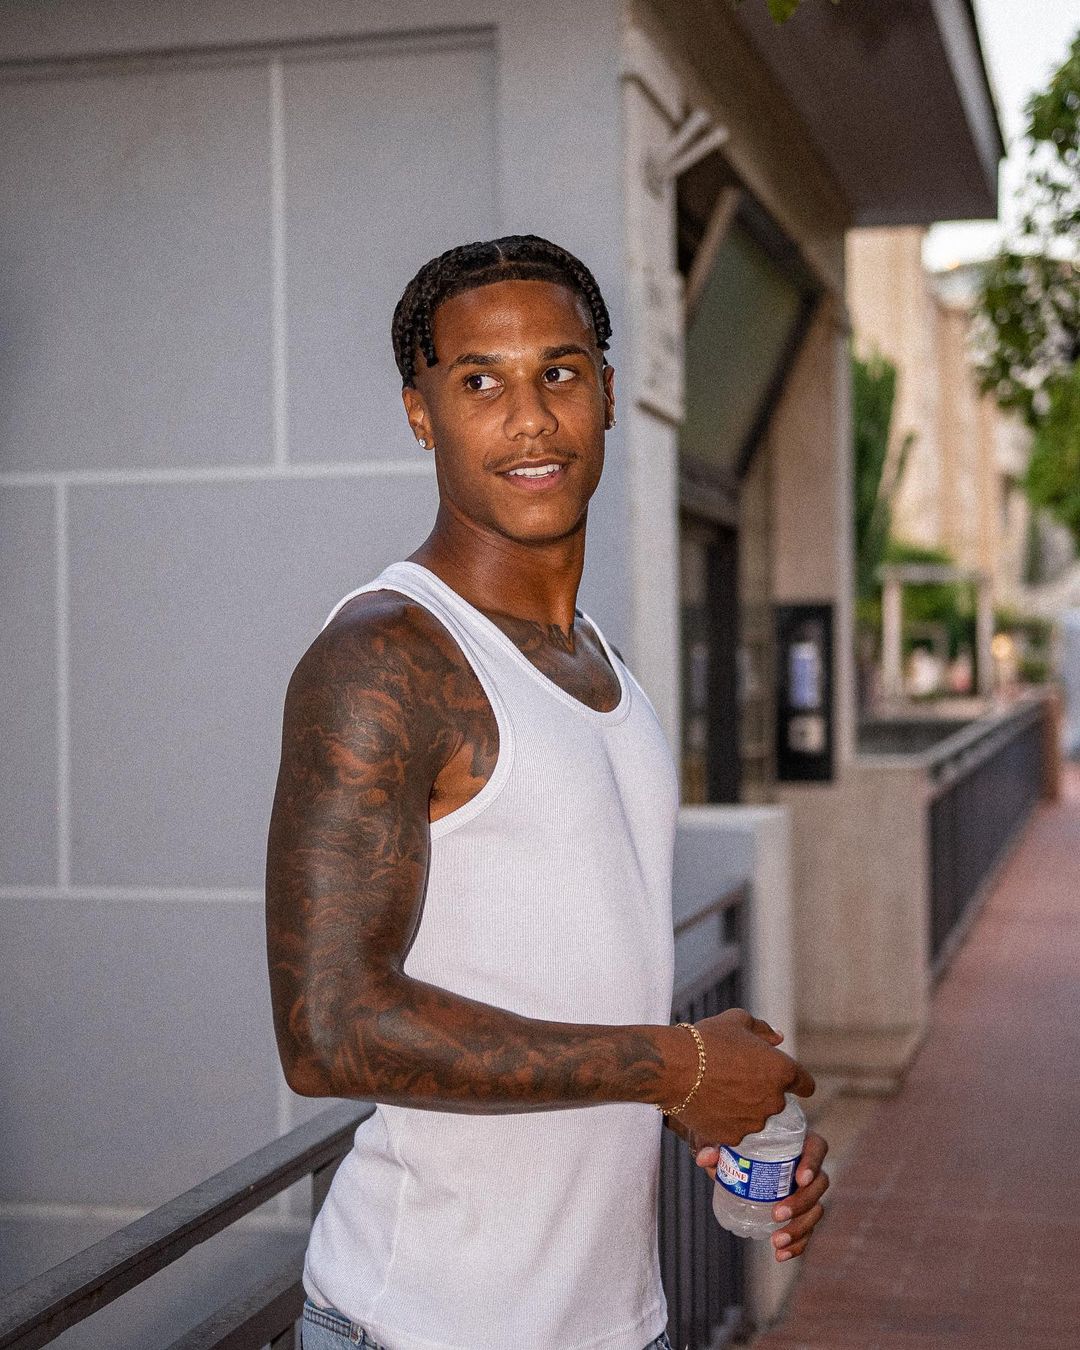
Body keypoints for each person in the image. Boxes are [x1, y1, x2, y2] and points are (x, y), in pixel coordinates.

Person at [265, 235, 829, 1350]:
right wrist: (671, 1066)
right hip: (421, 1324)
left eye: (558, 373)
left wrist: (715, 1104)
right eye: (480, 382)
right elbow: (328, 1029)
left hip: (615, 1321)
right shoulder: (387, 657)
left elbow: (553, 963)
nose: (530, 419)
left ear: (608, 394)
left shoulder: (601, 663)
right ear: (422, 413)